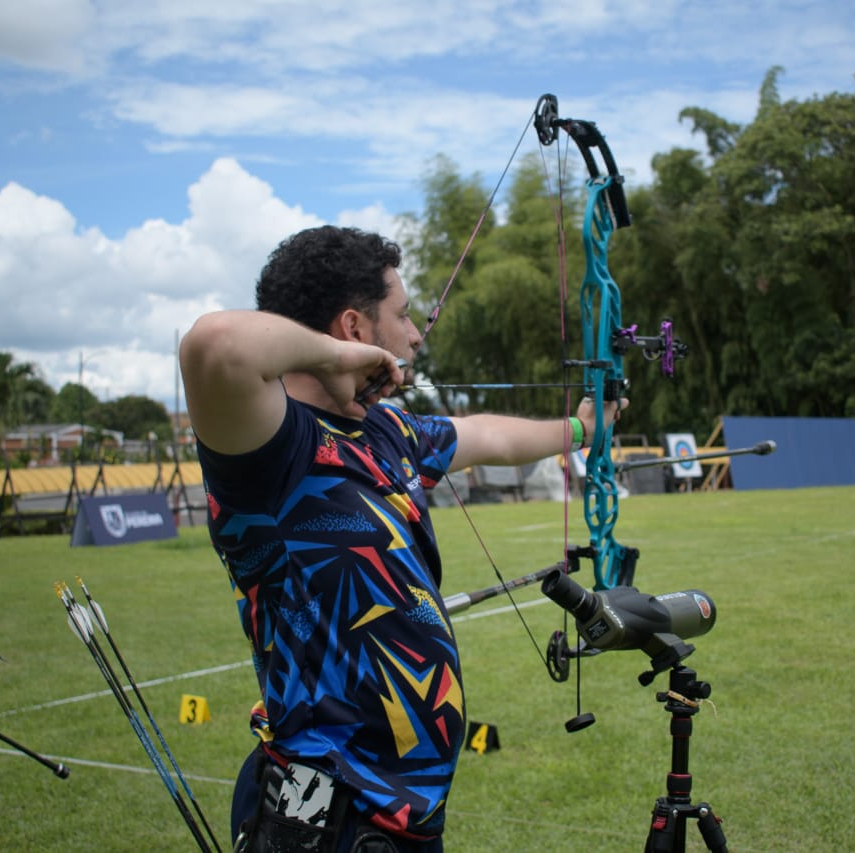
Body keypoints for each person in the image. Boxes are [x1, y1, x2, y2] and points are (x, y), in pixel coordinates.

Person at [179, 225, 621, 852]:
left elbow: (487, 437)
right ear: (355, 328)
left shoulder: (388, 431)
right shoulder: (273, 448)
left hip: (406, 819)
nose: (416, 335)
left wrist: (580, 431)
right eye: (404, 315)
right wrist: (333, 359)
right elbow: (215, 344)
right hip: (325, 820)